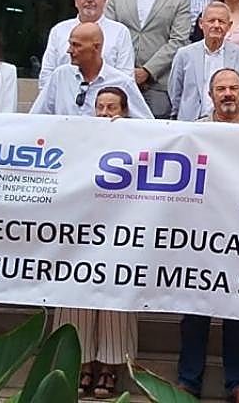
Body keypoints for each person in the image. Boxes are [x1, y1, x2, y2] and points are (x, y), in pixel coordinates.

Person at [177, 69, 239, 403]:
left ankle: (238, 382)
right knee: (194, 308)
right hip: (201, 233)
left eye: (233, 88)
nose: (227, 94)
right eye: (221, 88)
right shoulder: (194, 131)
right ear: (210, 94)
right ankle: (188, 381)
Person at [55, 86, 140, 398]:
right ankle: (81, 364)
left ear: (124, 111)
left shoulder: (140, 141)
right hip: (82, 228)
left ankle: (109, 367)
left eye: (111, 108)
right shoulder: (78, 140)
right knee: (76, 295)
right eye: (100, 107)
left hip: (122, 229)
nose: (105, 113)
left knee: (116, 297)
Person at [105, 0, 193, 118]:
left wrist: (147, 71)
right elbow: (109, 35)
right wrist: (127, 71)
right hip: (119, 80)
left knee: (156, 131)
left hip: (158, 83)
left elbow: (178, 41)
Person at [30, 23, 152, 118]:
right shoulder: (60, 75)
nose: (69, 50)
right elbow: (36, 117)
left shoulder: (122, 82)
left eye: (76, 45)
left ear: (96, 47)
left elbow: (147, 126)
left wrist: (121, 125)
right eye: (70, 44)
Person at [37, 0, 134, 86]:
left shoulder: (120, 32)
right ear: (75, 0)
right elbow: (47, 73)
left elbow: (126, 76)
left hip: (105, 95)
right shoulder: (59, 31)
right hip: (64, 94)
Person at [169, 3, 239, 121]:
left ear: (229, 25)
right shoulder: (184, 54)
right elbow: (175, 93)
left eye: (221, 21)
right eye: (211, 21)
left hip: (228, 122)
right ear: (201, 23)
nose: (216, 25)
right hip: (190, 122)